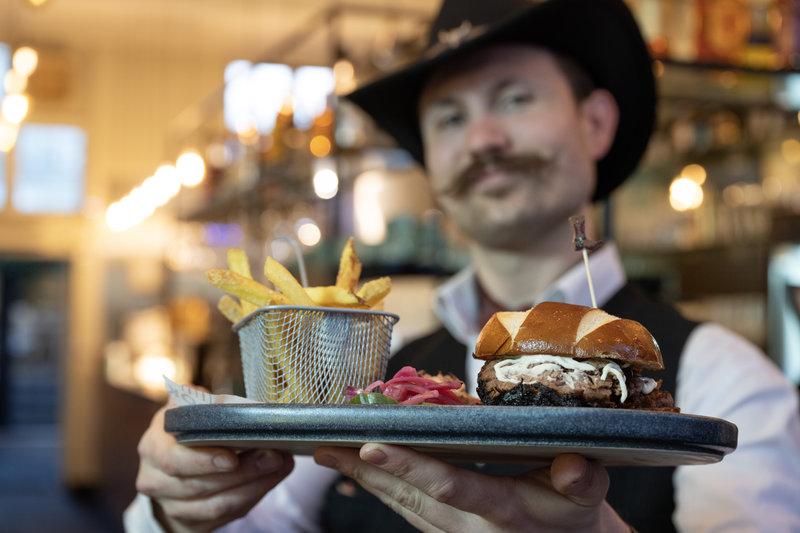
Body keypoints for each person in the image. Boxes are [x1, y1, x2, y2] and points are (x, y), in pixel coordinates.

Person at [124, 0, 800, 531]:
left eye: (514, 98)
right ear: (432, 165)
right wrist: (176, 506)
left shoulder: (723, 378)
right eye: (448, 117)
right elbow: (252, 523)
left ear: (595, 123)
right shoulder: (374, 372)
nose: (483, 138)